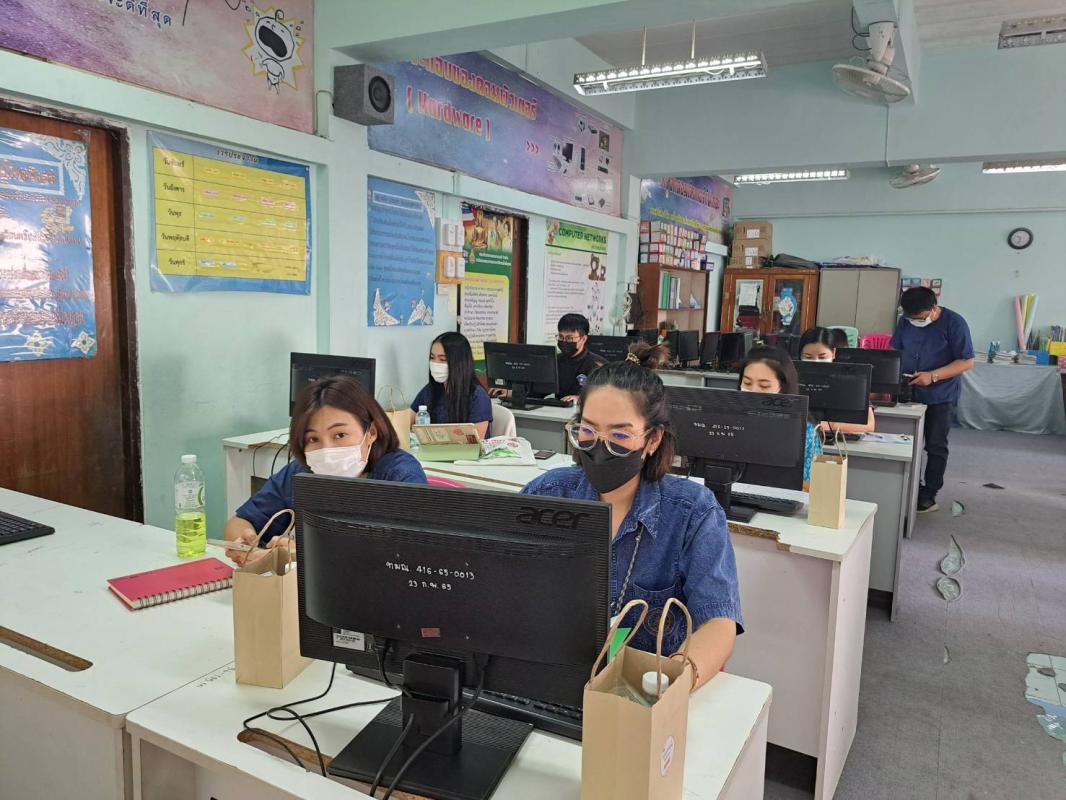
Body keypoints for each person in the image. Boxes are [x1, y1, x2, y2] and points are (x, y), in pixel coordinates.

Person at [520, 343, 742, 688]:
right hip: (549, 677)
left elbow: (718, 622)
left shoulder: (692, 512)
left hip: (639, 691)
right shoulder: (547, 494)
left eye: (620, 435)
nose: (600, 447)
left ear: (652, 440)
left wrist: (670, 682)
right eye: (588, 430)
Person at [224, 376, 427, 562]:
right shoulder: (300, 472)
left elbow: (416, 552)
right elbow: (239, 522)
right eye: (313, 439)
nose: (327, 451)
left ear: (371, 432)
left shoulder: (399, 474)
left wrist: (303, 556)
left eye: (339, 435)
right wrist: (246, 544)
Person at [890, 287, 974, 513]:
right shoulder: (905, 321)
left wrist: (933, 376)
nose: (916, 322)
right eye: (911, 319)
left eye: (920, 318)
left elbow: (966, 361)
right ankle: (910, 487)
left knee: (935, 445)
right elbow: (895, 349)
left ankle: (929, 493)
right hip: (908, 389)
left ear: (934, 308)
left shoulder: (954, 323)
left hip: (941, 394)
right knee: (904, 441)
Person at [738, 345, 823, 485]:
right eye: (747, 383)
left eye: (764, 386)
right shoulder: (730, 419)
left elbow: (813, 484)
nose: (753, 391)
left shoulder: (805, 431)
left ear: (783, 388)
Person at [411, 332, 492, 439]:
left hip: (464, 449)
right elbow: (408, 418)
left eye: (442, 359)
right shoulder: (431, 389)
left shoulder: (477, 396)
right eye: (432, 357)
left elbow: (475, 440)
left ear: (459, 362)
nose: (435, 363)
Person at [799, 327, 876, 434]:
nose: (815, 362)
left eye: (822, 357)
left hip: (841, 440)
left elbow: (869, 425)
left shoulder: (852, 380)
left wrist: (828, 426)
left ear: (833, 353)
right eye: (808, 357)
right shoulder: (792, 379)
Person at [555, 313, 606, 402]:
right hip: (556, 408)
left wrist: (580, 398)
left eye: (569, 338)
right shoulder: (555, 361)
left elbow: (606, 396)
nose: (564, 341)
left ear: (583, 339)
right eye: (561, 337)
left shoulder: (598, 365)